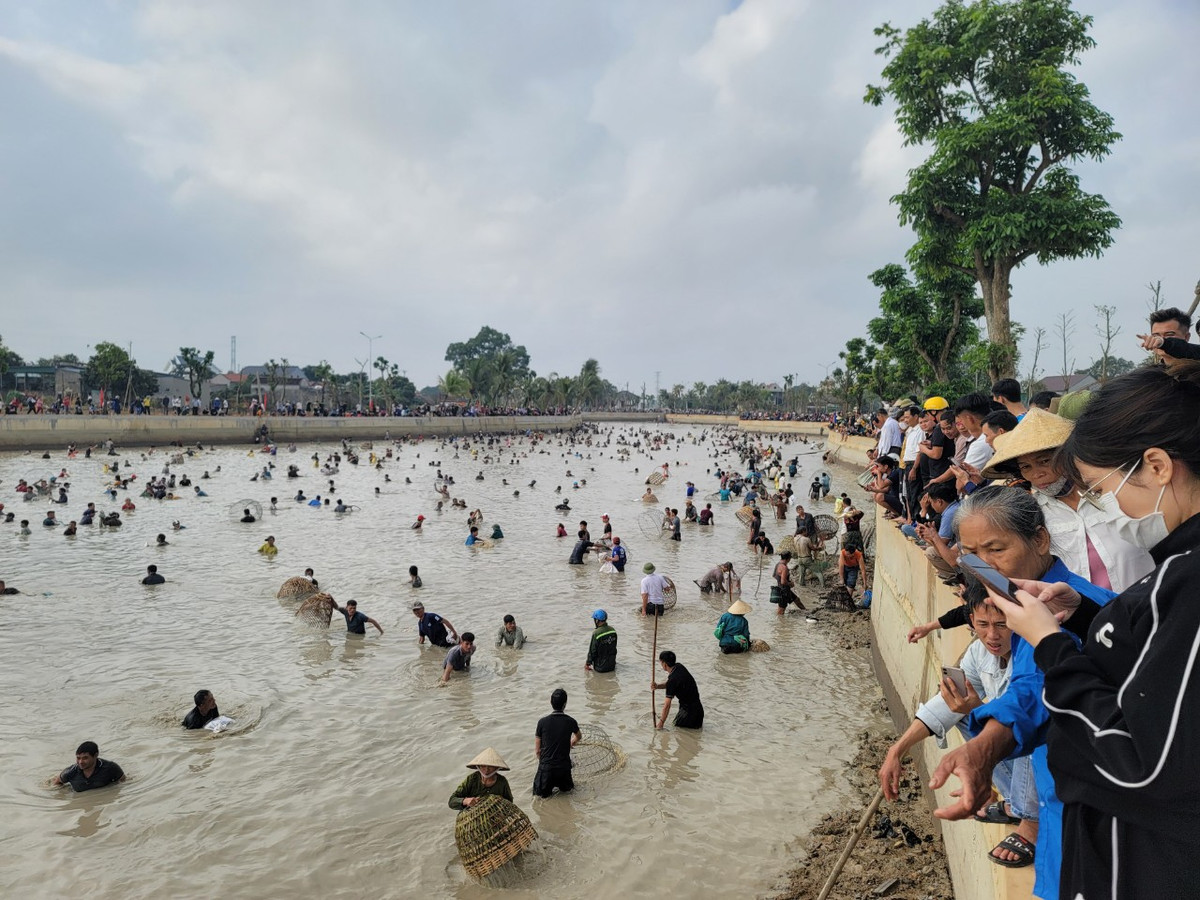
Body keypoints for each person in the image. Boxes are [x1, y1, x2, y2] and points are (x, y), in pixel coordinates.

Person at [965, 364, 1200, 898]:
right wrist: (1090, 614)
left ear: (1159, 467)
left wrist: (1050, 644)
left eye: (1103, 488)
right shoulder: (1174, 566)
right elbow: (1155, 650)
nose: (1109, 507)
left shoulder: (1187, 578)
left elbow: (1144, 767)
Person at [924, 486, 1113, 889]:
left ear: (1040, 540)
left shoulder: (1050, 608)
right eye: (972, 553)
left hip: (1087, 801)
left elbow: (1036, 691)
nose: (983, 566)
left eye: (996, 549)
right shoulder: (1059, 594)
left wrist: (983, 746)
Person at [879, 583, 1039, 866]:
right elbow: (941, 707)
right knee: (959, 708)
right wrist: (897, 750)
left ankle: (1032, 822)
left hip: (1045, 760)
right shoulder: (978, 653)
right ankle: (1015, 800)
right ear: (971, 621)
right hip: (1019, 758)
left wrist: (979, 709)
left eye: (1002, 624)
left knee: (1028, 721)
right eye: (983, 624)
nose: (993, 635)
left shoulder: (1032, 653)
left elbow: (1025, 714)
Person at [533, 688, 581, 797]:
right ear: (565, 704)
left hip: (546, 769)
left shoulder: (542, 722)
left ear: (551, 702)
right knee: (568, 794)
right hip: (563, 769)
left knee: (539, 798)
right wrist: (572, 742)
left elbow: (537, 751)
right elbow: (579, 736)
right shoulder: (571, 721)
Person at [448, 748, 513, 811]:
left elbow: (509, 804)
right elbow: (452, 801)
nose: (487, 769)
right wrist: (465, 801)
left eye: (490, 766)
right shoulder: (472, 779)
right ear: (478, 766)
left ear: (496, 768)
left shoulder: (502, 782)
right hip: (470, 817)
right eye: (483, 766)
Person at [653, 651, 703, 729]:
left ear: (664, 664)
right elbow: (673, 685)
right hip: (699, 711)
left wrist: (661, 723)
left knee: (679, 735)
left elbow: (667, 705)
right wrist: (657, 686)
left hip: (687, 715)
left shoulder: (672, 680)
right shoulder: (679, 667)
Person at [51, 741, 125, 792]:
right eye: (78, 758)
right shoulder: (70, 772)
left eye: (85, 758)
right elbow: (57, 783)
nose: (80, 762)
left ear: (95, 755)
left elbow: (123, 781)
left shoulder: (111, 768)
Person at [838, 536, 866, 600]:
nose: (846, 555)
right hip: (844, 567)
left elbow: (863, 570)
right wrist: (841, 579)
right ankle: (842, 598)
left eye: (848, 554)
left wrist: (865, 583)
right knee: (843, 582)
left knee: (851, 583)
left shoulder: (858, 555)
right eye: (846, 553)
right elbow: (841, 566)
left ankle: (848, 598)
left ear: (853, 554)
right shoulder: (843, 552)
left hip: (853, 568)